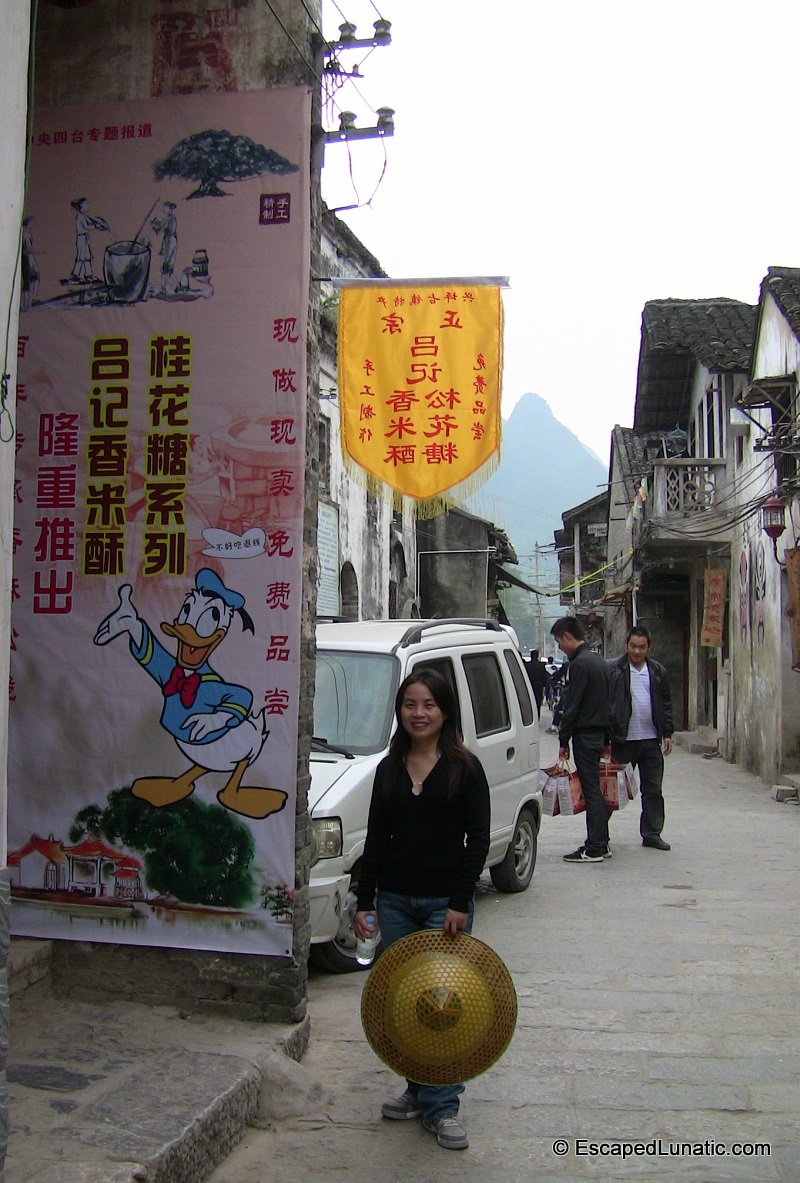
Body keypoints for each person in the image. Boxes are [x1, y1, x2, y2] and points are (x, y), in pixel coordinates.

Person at [355, 668, 490, 1152]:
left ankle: (444, 1106)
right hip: (395, 902)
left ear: (445, 711)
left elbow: (477, 841)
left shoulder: (465, 769)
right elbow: (376, 839)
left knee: (444, 1006)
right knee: (406, 1000)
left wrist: (459, 901)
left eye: (428, 705)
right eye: (410, 704)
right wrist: (365, 901)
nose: (419, 713)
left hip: (442, 906)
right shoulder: (389, 769)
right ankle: (417, 1090)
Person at [550, 616, 611, 863]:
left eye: (559, 642)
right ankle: (602, 842)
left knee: (591, 791)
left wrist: (563, 740)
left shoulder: (579, 665)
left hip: (586, 735)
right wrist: (607, 739)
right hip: (599, 734)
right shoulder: (599, 661)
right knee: (595, 789)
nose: (560, 647)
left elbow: (572, 705)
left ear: (567, 636)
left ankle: (594, 846)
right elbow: (608, 705)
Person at [609, 625, 673, 850]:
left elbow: (666, 703)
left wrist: (667, 733)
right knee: (613, 790)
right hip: (623, 740)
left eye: (642, 647)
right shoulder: (614, 670)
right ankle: (599, 836)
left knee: (653, 790)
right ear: (626, 645)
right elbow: (606, 704)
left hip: (650, 740)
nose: (637, 651)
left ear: (649, 647)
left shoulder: (657, 672)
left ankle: (652, 833)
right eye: (633, 646)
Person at [69, 197, 108, 283]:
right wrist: (96, 226)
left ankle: (88, 274)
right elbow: (86, 226)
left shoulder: (84, 216)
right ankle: (75, 275)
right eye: (86, 204)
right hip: (81, 238)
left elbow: (90, 221)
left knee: (87, 257)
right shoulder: (80, 216)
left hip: (85, 238)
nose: (88, 206)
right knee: (81, 257)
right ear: (81, 206)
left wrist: (98, 222)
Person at [524, 648, 546, 714]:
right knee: (538, 702)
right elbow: (544, 676)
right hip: (539, 686)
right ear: (537, 656)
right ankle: (537, 714)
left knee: (529, 701)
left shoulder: (527, 665)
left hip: (529, 685)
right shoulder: (541, 665)